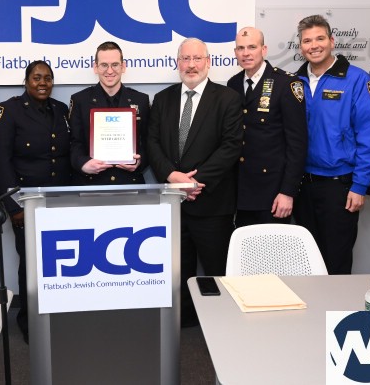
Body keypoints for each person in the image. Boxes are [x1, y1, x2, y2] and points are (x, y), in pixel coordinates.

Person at [148, 38, 242, 326]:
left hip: (212, 202)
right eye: (185, 59)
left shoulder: (227, 98)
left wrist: (195, 181)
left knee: (216, 269)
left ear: (208, 62)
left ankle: (219, 323)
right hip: (173, 203)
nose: (191, 65)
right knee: (179, 267)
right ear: (178, 63)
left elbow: (231, 146)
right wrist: (171, 176)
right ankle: (185, 321)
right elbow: (152, 142)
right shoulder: (162, 99)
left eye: (197, 58)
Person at [293, 15, 370, 275]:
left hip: (340, 186)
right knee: (307, 263)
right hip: (302, 186)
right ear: (301, 46)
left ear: (332, 41)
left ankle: (335, 304)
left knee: (336, 262)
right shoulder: (294, 82)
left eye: (320, 38)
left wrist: (360, 185)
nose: (314, 45)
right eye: (307, 41)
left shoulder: (357, 80)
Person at [0, 60, 72, 343]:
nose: (42, 83)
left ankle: (56, 316)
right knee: (31, 265)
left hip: (59, 203)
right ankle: (29, 321)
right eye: (37, 78)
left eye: (48, 78)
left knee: (60, 264)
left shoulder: (61, 110)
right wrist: (14, 206)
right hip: (28, 205)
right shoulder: (8, 111)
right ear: (26, 81)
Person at [227, 27, 307, 226]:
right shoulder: (233, 84)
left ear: (264, 49)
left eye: (252, 47)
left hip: (273, 193)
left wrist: (288, 191)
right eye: (241, 48)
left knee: (273, 245)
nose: (246, 53)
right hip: (241, 191)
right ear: (235, 52)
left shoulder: (286, 83)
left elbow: (297, 144)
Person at [68, 41, 150, 185]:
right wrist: (83, 163)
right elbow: (74, 142)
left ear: (123, 67)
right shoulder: (80, 100)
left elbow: (150, 141)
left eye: (115, 65)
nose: (110, 71)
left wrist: (140, 161)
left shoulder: (141, 100)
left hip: (129, 182)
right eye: (104, 65)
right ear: (95, 67)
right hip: (91, 183)